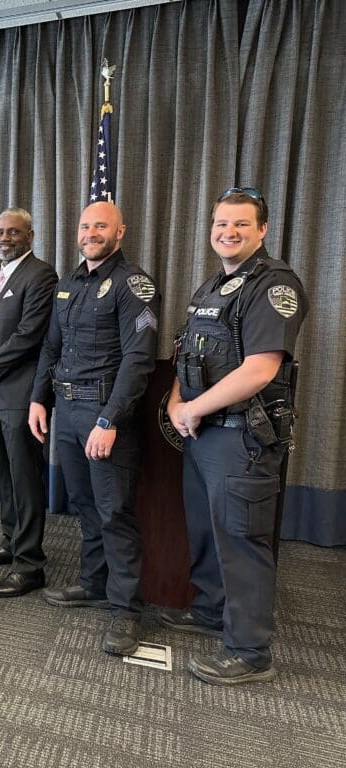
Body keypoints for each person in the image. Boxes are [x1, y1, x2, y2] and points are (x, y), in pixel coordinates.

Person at [166, 187, 307, 685]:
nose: (228, 232)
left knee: (243, 540)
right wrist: (175, 403)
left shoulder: (272, 286)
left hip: (242, 437)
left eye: (241, 224)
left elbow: (260, 369)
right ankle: (209, 611)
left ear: (262, 230)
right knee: (207, 531)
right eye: (222, 223)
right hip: (204, 434)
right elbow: (190, 354)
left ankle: (250, 650)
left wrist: (193, 408)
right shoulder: (211, 288)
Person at [28, 201, 160, 656]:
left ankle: (126, 611)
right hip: (66, 412)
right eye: (85, 225)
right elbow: (51, 347)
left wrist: (109, 420)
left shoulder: (132, 284)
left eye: (100, 226)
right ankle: (93, 583)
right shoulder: (69, 284)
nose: (91, 232)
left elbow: (138, 360)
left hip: (105, 416)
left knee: (114, 512)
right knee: (84, 504)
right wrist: (37, 400)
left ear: (119, 232)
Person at [0, 208, 58, 598]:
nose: (5, 238)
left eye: (14, 232)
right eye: (0, 231)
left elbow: (29, 334)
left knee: (26, 480)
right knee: (6, 476)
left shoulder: (41, 275)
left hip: (20, 396)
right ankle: (10, 542)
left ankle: (30, 564)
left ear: (30, 236)